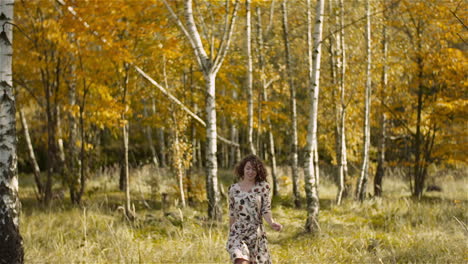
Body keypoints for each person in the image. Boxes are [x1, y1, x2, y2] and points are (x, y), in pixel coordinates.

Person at [226, 154, 283, 264]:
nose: (250, 172)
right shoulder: (233, 189)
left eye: (254, 169)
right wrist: (231, 234)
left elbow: (265, 209)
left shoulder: (263, 187)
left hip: (256, 233)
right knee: (240, 260)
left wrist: (272, 223)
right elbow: (232, 213)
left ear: (258, 172)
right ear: (242, 169)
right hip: (238, 231)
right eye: (248, 168)